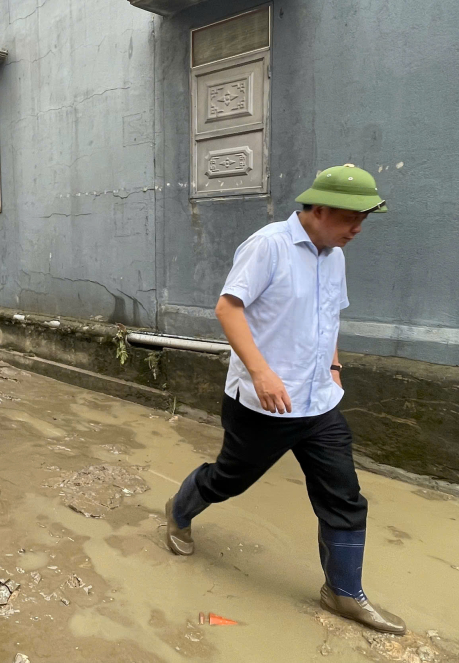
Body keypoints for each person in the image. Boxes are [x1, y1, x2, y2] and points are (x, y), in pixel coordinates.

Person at [164, 164, 406, 636]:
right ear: (318, 209)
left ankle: (343, 592)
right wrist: (262, 372)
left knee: (345, 496)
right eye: (350, 218)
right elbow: (227, 307)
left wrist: (333, 367)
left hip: (319, 404)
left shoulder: (334, 253)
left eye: (365, 219)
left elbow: (329, 317)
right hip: (263, 404)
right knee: (229, 479)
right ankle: (178, 512)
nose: (358, 228)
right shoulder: (269, 245)